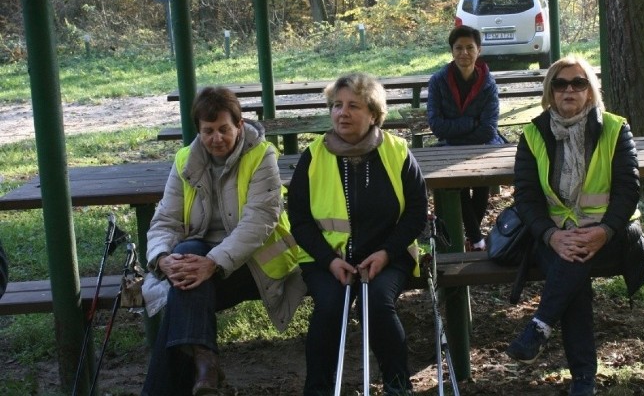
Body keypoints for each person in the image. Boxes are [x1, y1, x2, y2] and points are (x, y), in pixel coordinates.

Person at [504, 55, 644, 396]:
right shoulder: (532, 134)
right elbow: (527, 198)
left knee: (572, 263)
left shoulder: (616, 129)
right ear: (550, 93)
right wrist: (551, 235)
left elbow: (628, 190)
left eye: (579, 83)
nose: (569, 90)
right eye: (560, 84)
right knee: (571, 260)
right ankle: (583, 378)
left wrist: (603, 231)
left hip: (613, 237)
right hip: (556, 239)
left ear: (590, 91)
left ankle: (542, 331)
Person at [141, 86, 305, 396]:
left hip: (255, 263)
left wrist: (213, 263)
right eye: (208, 131)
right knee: (186, 263)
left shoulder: (261, 155)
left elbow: (260, 221)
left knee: (184, 289)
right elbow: (165, 219)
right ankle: (205, 368)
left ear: (239, 125)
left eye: (224, 129)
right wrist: (162, 257)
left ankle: (184, 376)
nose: (217, 138)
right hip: (199, 261)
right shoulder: (185, 160)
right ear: (198, 131)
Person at [288, 72, 428, 396]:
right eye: (336, 105)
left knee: (377, 302)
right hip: (327, 259)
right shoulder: (313, 156)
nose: (342, 113)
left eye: (353, 105)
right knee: (330, 304)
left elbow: (417, 213)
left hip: (387, 256)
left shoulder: (398, 152)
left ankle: (397, 384)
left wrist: (386, 253)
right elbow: (299, 219)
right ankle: (318, 389)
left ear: (374, 113)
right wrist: (328, 260)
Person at [427, 25, 503, 251]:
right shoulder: (438, 81)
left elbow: (489, 129)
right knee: (456, 183)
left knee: (483, 182)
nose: (464, 53)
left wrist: (457, 130)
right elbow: (437, 126)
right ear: (452, 51)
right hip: (449, 147)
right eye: (458, 48)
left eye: (470, 47)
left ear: (478, 50)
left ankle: (473, 236)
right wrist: (471, 123)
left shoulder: (488, 84)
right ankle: (476, 237)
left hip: (483, 145)